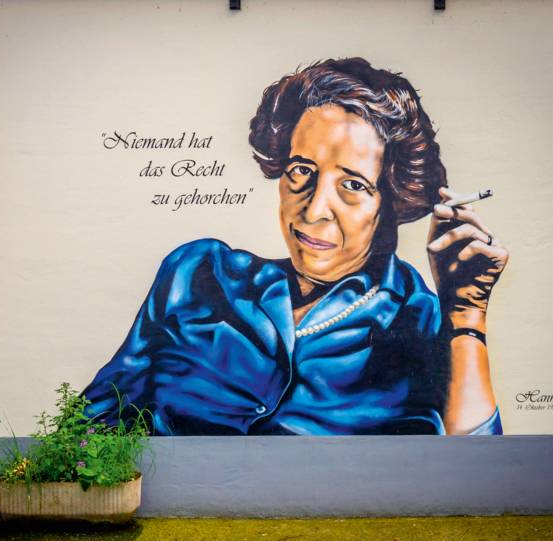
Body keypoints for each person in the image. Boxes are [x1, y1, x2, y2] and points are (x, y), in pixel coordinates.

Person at [82, 57, 509, 435]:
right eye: (301, 170)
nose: (314, 209)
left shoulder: (424, 319)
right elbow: (92, 423)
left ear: (392, 200)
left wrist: (467, 315)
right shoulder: (198, 274)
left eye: (352, 185)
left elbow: (475, 468)